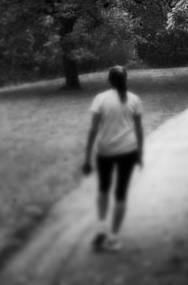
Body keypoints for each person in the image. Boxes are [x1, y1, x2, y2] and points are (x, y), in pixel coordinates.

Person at [82, 65, 144, 252]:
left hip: (105, 150)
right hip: (128, 150)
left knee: (103, 189)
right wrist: (140, 154)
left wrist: (87, 157)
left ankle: (101, 227)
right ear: (126, 79)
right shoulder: (134, 99)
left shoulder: (100, 99)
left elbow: (93, 129)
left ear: (109, 80)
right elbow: (139, 130)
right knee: (120, 194)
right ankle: (114, 238)